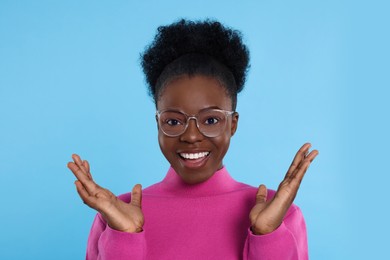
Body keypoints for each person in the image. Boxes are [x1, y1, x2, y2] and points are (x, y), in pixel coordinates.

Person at [67, 19, 319, 260]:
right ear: (158, 124)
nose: (190, 136)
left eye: (210, 120)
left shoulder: (279, 213)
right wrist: (125, 239)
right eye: (174, 121)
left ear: (233, 124)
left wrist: (267, 237)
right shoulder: (115, 213)